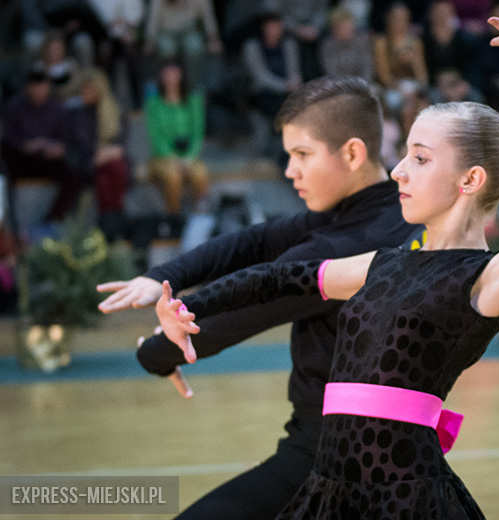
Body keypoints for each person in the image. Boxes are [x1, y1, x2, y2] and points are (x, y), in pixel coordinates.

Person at [154, 18, 499, 519]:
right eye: (404, 155)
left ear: (470, 179)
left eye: (420, 159)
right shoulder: (382, 265)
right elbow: (275, 279)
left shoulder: (489, 280)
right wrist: (186, 308)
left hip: (405, 502)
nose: (398, 171)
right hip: (328, 493)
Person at [97, 75, 421, 520]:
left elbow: (241, 308)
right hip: (388, 451)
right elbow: (255, 241)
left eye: (302, 154)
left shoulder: (343, 245)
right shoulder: (394, 214)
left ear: (352, 153)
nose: (290, 170)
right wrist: (164, 276)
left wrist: (155, 352)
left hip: (333, 460)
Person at [1, 63, 84, 226]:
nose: (39, 90)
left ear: (48, 86)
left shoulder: (57, 107)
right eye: (35, 85)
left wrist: (59, 149)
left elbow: (68, 139)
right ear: (28, 87)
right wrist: (26, 146)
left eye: (42, 85)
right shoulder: (14, 107)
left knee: (76, 174)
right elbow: (7, 140)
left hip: (48, 161)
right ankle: (11, 227)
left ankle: (52, 221)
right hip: (22, 162)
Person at [66, 67, 131, 240]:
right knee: (108, 170)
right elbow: (78, 145)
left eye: (88, 89)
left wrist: (106, 154)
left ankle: (108, 220)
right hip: (86, 161)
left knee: (113, 169)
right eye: (82, 90)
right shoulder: (77, 113)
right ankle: (115, 218)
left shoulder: (114, 110)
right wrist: (98, 155)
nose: (84, 94)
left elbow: (121, 145)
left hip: (110, 160)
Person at [144, 60, 209, 216]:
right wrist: (172, 157)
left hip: (189, 156)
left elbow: (198, 133)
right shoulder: (153, 104)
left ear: (181, 74)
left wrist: (189, 157)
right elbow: (156, 136)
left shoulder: (193, 101)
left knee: (200, 174)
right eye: (166, 73)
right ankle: (174, 218)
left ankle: (200, 216)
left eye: (174, 72)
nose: (170, 77)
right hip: (162, 157)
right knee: (173, 177)